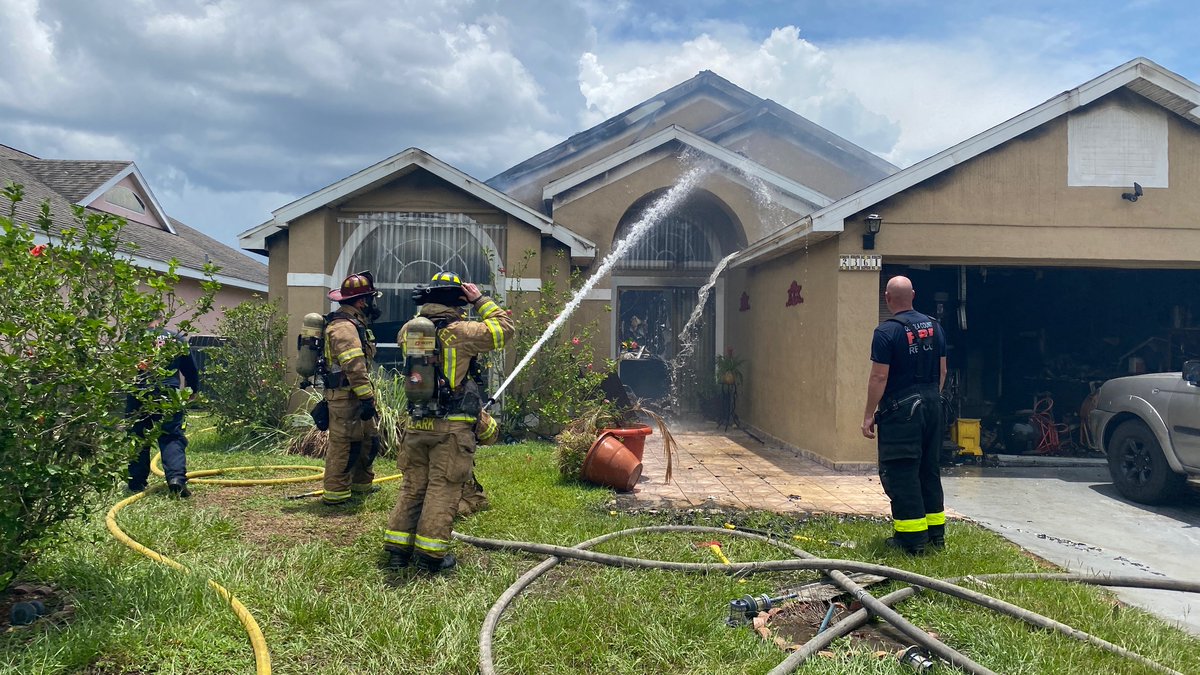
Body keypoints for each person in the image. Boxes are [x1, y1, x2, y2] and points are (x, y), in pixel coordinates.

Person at [385, 272, 514, 573]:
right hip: (451, 427)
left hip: (417, 423)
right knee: (443, 487)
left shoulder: (409, 331)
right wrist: (480, 300)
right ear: (458, 301)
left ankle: (397, 550)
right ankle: (431, 556)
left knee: (413, 486)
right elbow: (504, 329)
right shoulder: (462, 331)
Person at [861, 276, 947, 555]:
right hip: (934, 404)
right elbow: (942, 371)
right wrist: (931, 399)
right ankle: (936, 535)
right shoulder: (935, 326)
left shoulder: (886, 332)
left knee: (901, 471)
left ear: (887, 298)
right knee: (928, 469)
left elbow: (879, 376)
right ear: (914, 295)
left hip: (903, 412)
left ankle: (911, 540)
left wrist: (868, 414)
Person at [321, 271, 383, 506]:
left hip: (356, 395)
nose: (372, 305)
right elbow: (354, 366)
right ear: (361, 302)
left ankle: (361, 485)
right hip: (345, 397)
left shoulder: (356, 324)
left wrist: (366, 398)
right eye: (370, 300)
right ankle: (335, 494)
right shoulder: (344, 328)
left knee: (368, 440)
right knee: (344, 444)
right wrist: (366, 397)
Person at [127, 326, 200, 498]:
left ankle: (136, 483)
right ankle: (176, 479)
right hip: (168, 391)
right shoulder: (176, 338)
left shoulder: (134, 337)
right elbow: (190, 368)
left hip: (139, 391)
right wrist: (192, 389)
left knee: (138, 436)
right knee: (171, 435)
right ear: (160, 318)